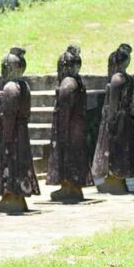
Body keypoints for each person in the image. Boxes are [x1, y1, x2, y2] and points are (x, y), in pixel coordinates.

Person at [0, 47, 39, 212]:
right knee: (20, 164)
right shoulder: (24, 86)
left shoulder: (10, 88)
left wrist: (7, 139)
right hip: (21, 132)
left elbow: (8, 117)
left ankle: (10, 196)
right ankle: (17, 196)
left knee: (10, 163)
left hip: (11, 134)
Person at [92, 44, 134, 194]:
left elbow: (113, 104)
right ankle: (118, 180)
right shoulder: (128, 79)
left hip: (115, 120)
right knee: (122, 149)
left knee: (112, 149)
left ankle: (114, 180)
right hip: (125, 119)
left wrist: (110, 122)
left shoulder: (116, 79)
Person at [47, 45, 92, 202]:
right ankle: (72, 186)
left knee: (68, 155)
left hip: (68, 128)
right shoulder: (78, 82)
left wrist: (61, 130)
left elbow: (64, 111)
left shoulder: (67, 84)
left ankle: (69, 187)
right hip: (77, 127)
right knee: (75, 155)